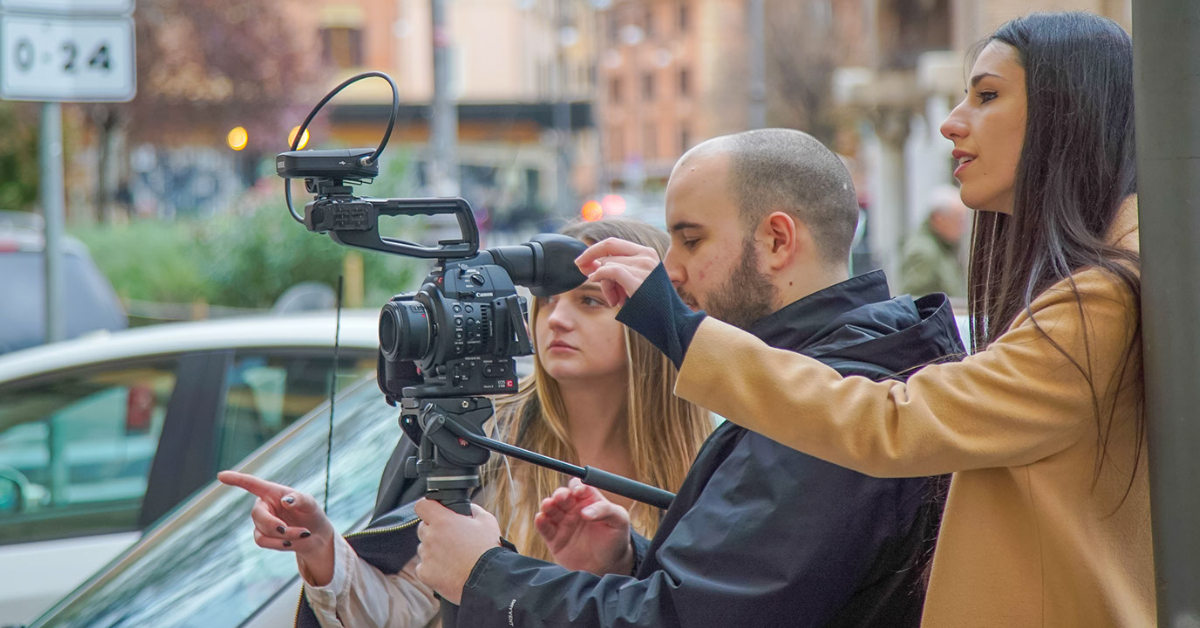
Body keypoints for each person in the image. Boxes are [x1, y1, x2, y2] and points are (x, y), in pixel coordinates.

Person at [545, 11, 1149, 627]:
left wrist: (673, 324)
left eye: (988, 95)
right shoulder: (1107, 281)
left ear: (1068, 112)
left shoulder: (1100, 299)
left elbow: (889, 423)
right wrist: (632, 560)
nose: (951, 122)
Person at [411, 128, 966, 627]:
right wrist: (629, 562)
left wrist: (484, 576)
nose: (669, 268)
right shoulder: (844, 369)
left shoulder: (830, 402)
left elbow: (685, 618)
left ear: (777, 240)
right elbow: (747, 597)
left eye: (691, 240)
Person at [218, 218, 713, 628]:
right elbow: (406, 610)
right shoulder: (482, 440)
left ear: (655, 316)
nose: (556, 319)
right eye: (546, 300)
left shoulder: (718, 461)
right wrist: (323, 548)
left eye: (589, 301)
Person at [898, 185, 968, 298]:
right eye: (958, 221)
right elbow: (915, 301)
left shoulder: (944, 246)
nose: (963, 228)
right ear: (938, 218)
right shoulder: (923, 251)